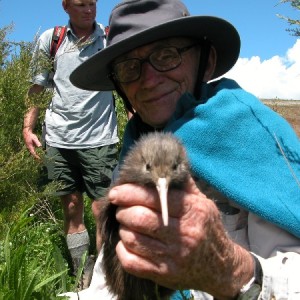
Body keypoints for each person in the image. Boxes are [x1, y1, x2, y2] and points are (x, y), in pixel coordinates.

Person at [68, 0, 300, 299]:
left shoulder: (258, 137)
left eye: (167, 55)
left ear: (208, 60)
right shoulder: (135, 148)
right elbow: (108, 283)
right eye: (129, 67)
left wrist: (231, 270)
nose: (149, 80)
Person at [23, 0, 119, 290]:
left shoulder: (110, 37)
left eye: (92, 3)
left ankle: (103, 279)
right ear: (66, 6)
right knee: (71, 206)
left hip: (100, 137)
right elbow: (36, 89)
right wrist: (28, 128)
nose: (88, 10)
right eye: (80, 4)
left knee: (102, 210)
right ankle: (81, 275)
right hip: (58, 138)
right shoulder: (50, 40)